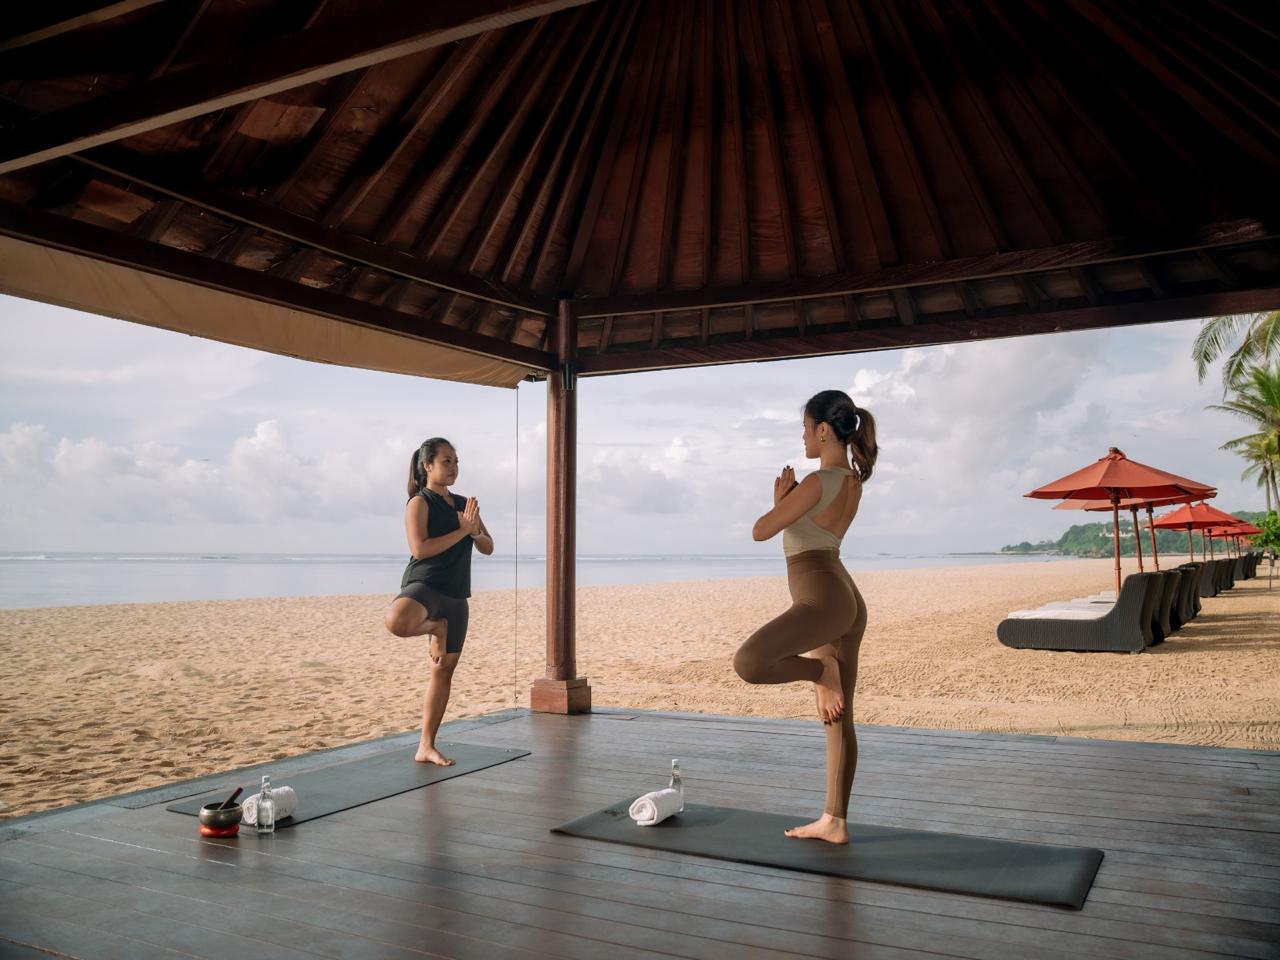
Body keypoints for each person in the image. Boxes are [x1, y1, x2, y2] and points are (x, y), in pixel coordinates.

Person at [733, 390, 877, 844]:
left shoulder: (817, 481)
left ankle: (820, 669)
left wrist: (779, 499)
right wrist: (789, 502)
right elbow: (810, 529)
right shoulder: (851, 480)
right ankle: (835, 821)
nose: (801, 436)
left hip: (823, 598)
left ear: (821, 429)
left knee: (750, 662)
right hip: (842, 593)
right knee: (839, 716)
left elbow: (760, 531)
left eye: (804, 427)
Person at [384, 438, 493, 766]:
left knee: (443, 672)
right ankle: (435, 628)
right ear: (427, 466)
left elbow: (488, 546)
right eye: (446, 461)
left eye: (456, 461)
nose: (454, 467)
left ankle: (426, 745)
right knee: (396, 621)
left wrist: (474, 531)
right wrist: (463, 531)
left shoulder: (464, 504)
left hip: (457, 595)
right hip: (426, 585)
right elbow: (420, 549)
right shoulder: (419, 502)